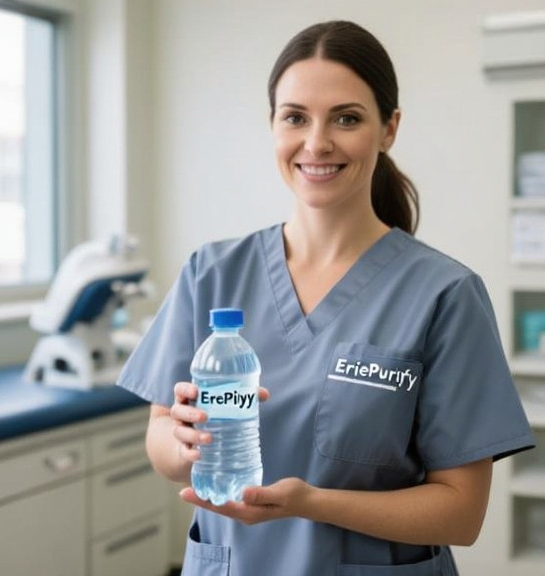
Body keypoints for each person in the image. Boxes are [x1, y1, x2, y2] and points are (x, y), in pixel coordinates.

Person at [117, 20, 534, 576]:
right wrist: (187, 443)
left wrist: (310, 504)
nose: (316, 143)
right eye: (295, 117)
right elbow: (161, 438)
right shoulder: (211, 273)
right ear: (272, 125)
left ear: (388, 129)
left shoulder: (443, 294)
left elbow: (461, 512)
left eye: (346, 118)